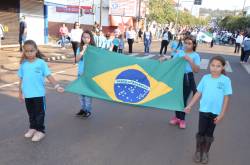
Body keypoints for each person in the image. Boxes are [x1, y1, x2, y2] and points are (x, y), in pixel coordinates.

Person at [184, 56, 232, 164]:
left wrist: (222, 114)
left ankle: (205, 153)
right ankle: (197, 151)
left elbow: (226, 98)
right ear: (209, 66)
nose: (215, 68)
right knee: (201, 132)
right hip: (204, 111)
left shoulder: (226, 80)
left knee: (209, 134)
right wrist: (190, 105)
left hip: (215, 113)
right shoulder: (206, 78)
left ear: (223, 67)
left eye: (218, 66)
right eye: (213, 65)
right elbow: (198, 93)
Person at [18, 40, 64, 142]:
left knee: (39, 113)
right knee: (31, 113)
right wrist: (20, 93)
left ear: (36, 50)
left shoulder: (41, 63)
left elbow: (49, 75)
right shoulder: (23, 64)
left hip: (38, 94)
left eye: (31, 51)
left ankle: (40, 130)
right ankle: (33, 128)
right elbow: (21, 79)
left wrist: (57, 86)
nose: (29, 53)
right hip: (28, 94)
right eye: (27, 51)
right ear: (24, 52)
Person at [162, 35, 200, 129]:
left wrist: (190, 60)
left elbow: (196, 70)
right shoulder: (180, 53)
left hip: (188, 78)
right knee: (176, 98)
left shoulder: (195, 55)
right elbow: (173, 61)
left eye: (189, 43)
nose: (187, 45)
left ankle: (182, 119)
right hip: (177, 77)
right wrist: (165, 58)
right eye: (185, 43)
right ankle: (177, 117)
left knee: (183, 99)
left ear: (194, 44)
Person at [75, 30, 96, 117]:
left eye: (87, 37)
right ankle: (83, 109)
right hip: (80, 74)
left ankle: (88, 110)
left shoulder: (94, 49)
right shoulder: (79, 48)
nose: (85, 39)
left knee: (87, 94)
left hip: (88, 75)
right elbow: (77, 59)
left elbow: (95, 62)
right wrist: (83, 51)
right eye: (84, 37)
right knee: (81, 93)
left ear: (90, 38)